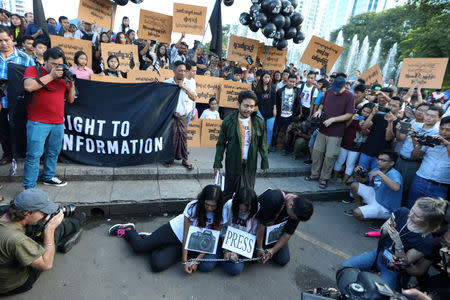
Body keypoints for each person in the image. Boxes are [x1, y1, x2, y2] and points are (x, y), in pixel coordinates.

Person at [108, 185, 226, 273]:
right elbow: (186, 234)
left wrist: (197, 260)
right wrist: (185, 261)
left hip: (186, 244)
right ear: (202, 200)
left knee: (157, 265)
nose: (209, 208)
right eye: (206, 204)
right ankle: (128, 229)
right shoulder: (193, 207)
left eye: (213, 206)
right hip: (174, 231)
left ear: (219, 204)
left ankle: (150, 240)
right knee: (139, 247)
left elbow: (211, 240)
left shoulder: (221, 215)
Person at [342, 197, 447, 291]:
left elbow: (402, 263)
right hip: (379, 254)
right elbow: (383, 231)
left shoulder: (426, 241)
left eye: (417, 216)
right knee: (345, 267)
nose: (410, 216)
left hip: (392, 268)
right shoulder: (402, 212)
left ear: (428, 221)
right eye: (412, 210)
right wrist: (386, 228)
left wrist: (398, 243)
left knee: (383, 294)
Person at [0, 188, 85, 296]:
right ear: (27, 212)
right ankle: (75, 224)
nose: (46, 215)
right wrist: (50, 230)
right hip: (11, 284)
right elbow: (46, 264)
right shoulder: (17, 240)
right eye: (44, 212)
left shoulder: (4, 211)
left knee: (36, 227)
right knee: (52, 232)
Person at [22, 47, 75, 188]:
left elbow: (70, 100)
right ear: (45, 61)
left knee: (53, 152)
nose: (57, 67)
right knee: (34, 155)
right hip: (37, 122)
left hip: (58, 122)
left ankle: (49, 177)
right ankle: (29, 187)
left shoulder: (64, 76)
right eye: (53, 64)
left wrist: (72, 82)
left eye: (60, 64)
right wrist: (52, 75)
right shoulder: (33, 70)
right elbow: (28, 86)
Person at [214, 90, 269, 200]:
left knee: (247, 195)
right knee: (229, 194)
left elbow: (262, 144)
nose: (249, 109)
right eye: (246, 106)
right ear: (238, 104)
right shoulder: (228, 121)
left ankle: (243, 216)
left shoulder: (259, 122)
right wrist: (217, 162)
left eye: (252, 106)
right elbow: (221, 144)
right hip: (233, 163)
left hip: (250, 164)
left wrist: (264, 161)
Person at [307, 76, 355, 189]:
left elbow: (349, 114)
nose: (335, 91)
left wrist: (334, 119)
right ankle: (314, 174)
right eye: (334, 88)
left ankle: (324, 179)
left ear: (344, 87)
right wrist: (319, 110)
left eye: (338, 89)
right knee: (317, 152)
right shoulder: (329, 91)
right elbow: (322, 104)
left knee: (330, 157)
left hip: (336, 131)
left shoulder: (349, 96)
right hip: (323, 128)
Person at [0, 26, 35, 166]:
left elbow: (33, 77)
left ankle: (21, 152)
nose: (3, 43)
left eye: (6, 40)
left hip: (19, 101)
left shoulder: (24, 58)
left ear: (12, 38)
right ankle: (7, 154)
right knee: (3, 129)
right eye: (0, 41)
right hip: (1, 102)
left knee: (20, 127)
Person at [395, 106, 441, 202]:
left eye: (432, 116)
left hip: (413, 163)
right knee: (394, 183)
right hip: (400, 159)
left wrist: (413, 136)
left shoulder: (435, 133)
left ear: (439, 118)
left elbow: (419, 153)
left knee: (405, 189)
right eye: (427, 114)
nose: (428, 117)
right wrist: (398, 130)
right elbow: (400, 138)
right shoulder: (415, 125)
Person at [255, 189, 313, 266]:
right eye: (293, 217)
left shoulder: (298, 210)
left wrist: (272, 251)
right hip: (258, 227)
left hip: (274, 232)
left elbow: (288, 233)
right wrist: (259, 247)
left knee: (283, 259)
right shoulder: (273, 199)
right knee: (255, 256)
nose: (293, 219)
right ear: (290, 204)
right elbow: (261, 225)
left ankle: (267, 248)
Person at [408, 116, 450, 208]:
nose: (443, 132)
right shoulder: (432, 139)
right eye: (441, 128)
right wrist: (419, 144)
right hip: (420, 181)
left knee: (432, 215)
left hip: (440, 187)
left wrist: (446, 144)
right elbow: (414, 156)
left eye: (448, 130)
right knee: (412, 207)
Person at [348, 150, 403, 221]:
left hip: (386, 207)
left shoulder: (394, 174)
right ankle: (362, 208)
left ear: (391, 163)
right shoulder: (377, 169)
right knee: (354, 185)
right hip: (377, 197)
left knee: (357, 213)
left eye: (383, 160)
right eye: (379, 159)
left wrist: (380, 174)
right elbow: (362, 181)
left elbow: (396, 188)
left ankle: (380, 219)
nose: (379, 161)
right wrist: (356, 172)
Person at [164, 60, 196, 170]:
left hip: (183, 116)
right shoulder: (167, 83)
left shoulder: (189, 83)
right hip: (170, 116)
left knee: (183, 138)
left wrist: (184, 88)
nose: (182, 73)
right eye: (180, 71)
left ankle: (185, 159)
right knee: (170, 138)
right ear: (174, 71)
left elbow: (194, 97)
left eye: (184, 71)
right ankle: (169, 158)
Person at [332, 103, 374, 186]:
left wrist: (362, 125)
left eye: (367, 112)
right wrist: (351, 119)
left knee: (350, 164)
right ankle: (334, 178)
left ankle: (343, 182)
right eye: (364, 111)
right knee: (339, 161)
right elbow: (345, 127)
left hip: (355, 147)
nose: (364, 113)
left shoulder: (370, 122)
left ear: (371, 114)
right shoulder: (354, 115)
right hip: (344, 143)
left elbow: (366, 133)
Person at [220, 187, 258, 275]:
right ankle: (224, 256)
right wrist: (226, 250)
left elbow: (254, 233)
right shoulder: (229, 205)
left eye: (246, 210)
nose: (243, 212)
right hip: (227, 241)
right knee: (235, 269)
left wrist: (237, 252)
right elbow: (223, 228)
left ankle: (231, 258)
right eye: (240, 209)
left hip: (245, 245)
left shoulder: (257, 209)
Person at [358, 95, 402, 172]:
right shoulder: (378, 116)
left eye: (394, 106)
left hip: (381, 156)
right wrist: (372, 114)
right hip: (367, 150)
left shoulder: (398, 123)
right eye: (390, 104)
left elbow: (388, 138)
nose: (390, 107)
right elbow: (364, 127)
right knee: (359, 172)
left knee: (375, 177)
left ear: (400, 108)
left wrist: (390, 122)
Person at [272, 74, 300, 152]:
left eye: (294, 82)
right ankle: (273, 145)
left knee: (287, 132)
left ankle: (285, 148)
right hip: (280, 115)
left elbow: (298, 103)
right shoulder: (280, 91)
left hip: (290, 116)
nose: (292, 83)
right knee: (276, 131)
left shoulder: (297, 91)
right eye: (290, 81)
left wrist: (294, 115)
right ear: (287, 81)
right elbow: (276, 103)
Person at [254, 70, 276, 148]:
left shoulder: (273, 87)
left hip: (270, 111)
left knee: (270, 129)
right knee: (260, 129)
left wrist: (274, 109)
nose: (267, 79)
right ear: (262, 77)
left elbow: (274, 100)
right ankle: (259, 144)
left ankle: (267, 145)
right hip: (260, 111)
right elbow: (255, 100)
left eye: (268, 77)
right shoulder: (258, 87)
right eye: (265, 77)